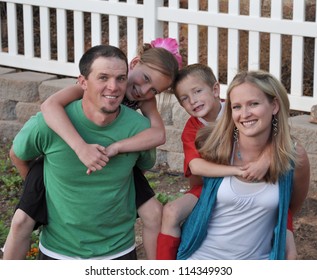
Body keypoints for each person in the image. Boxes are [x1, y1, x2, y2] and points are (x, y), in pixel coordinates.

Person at [3, 38, 181, 260]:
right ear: (134, 64)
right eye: (144, 79)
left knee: (154, 212)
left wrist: (117, 148)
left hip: (119, 156)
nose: (143, 90)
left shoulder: (144, 103)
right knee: (20, 221)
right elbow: (49, 106)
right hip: (70, 147)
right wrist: (79, 148)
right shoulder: (83, 89)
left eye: (154, 89)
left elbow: (159, 134)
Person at [156, 64, 298, 260]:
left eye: (197, 91)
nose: (193, 101)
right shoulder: (194, 129)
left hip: (259, 188)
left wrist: (267, 157)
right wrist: (237, 170)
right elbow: (196, 166)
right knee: (171, 211)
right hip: (206, 185)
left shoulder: (235, 111)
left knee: (279, 205)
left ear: (216, 90)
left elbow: (279, 137)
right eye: (185, 99)